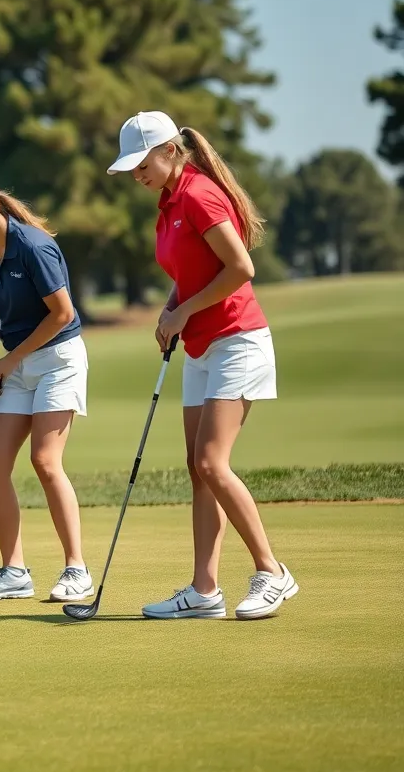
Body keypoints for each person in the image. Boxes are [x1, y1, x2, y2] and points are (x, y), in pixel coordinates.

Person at [108, 110, 298, 620]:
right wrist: (173, 309)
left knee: (213, 462)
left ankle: (272, 572)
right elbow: (190, 271)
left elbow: (241, 268)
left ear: (170, 149)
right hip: (199, 346)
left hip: (238, 340)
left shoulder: (197, 195)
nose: (135, 175)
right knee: (198, 470)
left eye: (141, 163)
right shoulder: (168, 202)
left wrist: (185, 310)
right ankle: (204, 590)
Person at [0, 173, 92, 604]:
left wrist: (9, 360)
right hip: (16, 364)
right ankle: (14, 571)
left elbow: (62, 314)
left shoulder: (34, 246)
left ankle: (77, 569)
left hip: (58, 360)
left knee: (45, 461)